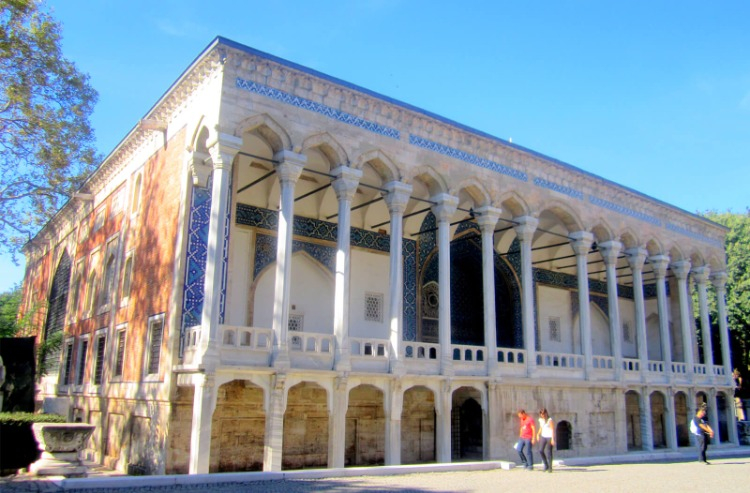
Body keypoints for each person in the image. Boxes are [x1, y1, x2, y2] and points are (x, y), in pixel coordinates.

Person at [536, 408, 555, 472]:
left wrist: (553, 439)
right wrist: (538, 434)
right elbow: (541, 427)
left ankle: (550, 467)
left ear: (546, 413)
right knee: (541, 450)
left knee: (549, 452)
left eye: (544, 414)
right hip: (543, 436)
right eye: (541, 414)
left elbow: (552, 429)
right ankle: (546, 464)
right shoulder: (541, 420)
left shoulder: (550, 420)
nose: (543, 415)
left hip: (549, 436)